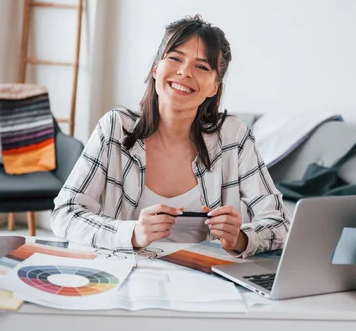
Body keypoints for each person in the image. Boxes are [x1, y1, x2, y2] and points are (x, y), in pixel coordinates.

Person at [51, 15, 291, 257]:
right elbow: (65, 213)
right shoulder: (116, 128)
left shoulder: (233, 137)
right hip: (126, 277)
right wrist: (131, 234)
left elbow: (280, 223)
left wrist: (241, 238)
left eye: (201, 66)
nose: (184, 72)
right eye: (175, 58)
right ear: (156, 68)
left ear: (214, 87)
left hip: (207, 281)